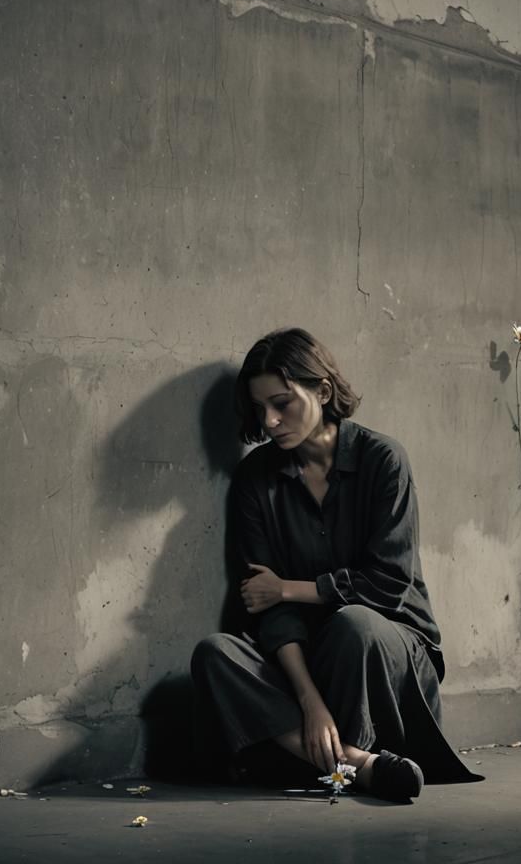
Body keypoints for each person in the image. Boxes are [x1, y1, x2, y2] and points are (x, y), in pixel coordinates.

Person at [191, 328, 481, 801]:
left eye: (282, 403)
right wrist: (308, 699)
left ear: (322, 391)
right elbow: (266, 608)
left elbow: (387, 585)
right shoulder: (254, 479)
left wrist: (288, 587)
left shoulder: (383, 460)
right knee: (214, 653)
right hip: (302, 660)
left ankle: (305, 759)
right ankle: (358, 765)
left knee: (355, 625)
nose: (268, 420)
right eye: (260, 407)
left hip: (384, 651)